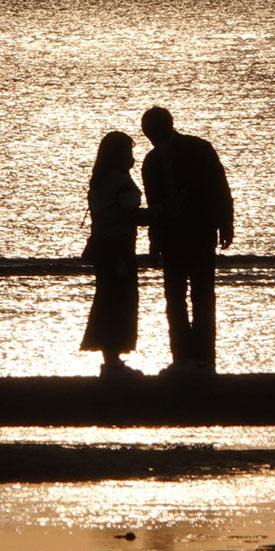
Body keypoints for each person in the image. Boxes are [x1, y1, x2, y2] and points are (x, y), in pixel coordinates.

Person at [140, 106, 234, 375]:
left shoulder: (198, 149)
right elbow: (155, 204)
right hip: (172, 235)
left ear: (166, 126)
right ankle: (183, 358)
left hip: (200, 231)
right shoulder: (152, 162)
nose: (150, 135)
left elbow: (219, 186)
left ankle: (203, 358)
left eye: (153, 130)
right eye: (148, 131)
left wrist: (225, 223)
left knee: (201, 296)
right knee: (176, 297)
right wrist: (154, 241)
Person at [80, 130, 149, 378]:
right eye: (128, 151)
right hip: (118, 248)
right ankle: (113, 362)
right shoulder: (119, 181)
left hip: (102, 246)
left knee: (108, 300)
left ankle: (111, 360)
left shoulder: (99, 181)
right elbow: (132, 214)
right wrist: (164, 213)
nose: (132, 156)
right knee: (120, 302)